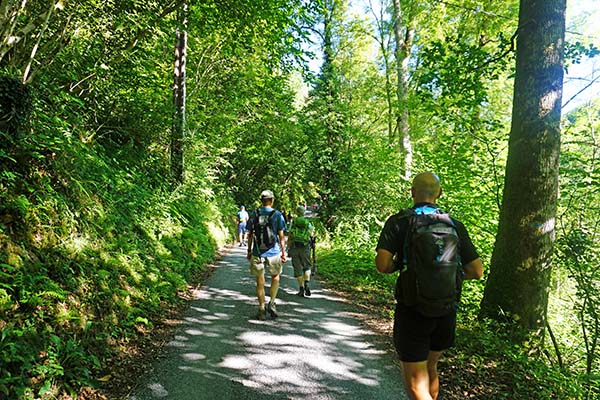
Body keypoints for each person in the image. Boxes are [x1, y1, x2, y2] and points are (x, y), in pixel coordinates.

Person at [375, 172, 483, 400]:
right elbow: (477, 271)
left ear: (413, 192)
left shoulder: (399, 222)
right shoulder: (454, 224)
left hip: (413, 309)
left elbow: (383, 265)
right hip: (446, 310)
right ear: (439, 193)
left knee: (415, 381)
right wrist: (447, 275)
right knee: (431, 367)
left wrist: (405, 266)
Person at [246, 190, 287, 320]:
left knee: (260, 282)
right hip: (274, 251)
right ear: (272, 200)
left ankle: (262, 308)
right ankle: (272, 302)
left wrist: (249, 250)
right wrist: (284, 252)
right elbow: (281, 236)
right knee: (276, 277)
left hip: (258, 251)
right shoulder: (277, 215)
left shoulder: (254, 214)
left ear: (261, 201)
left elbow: (250, 234)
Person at [288, 205, 314, 297]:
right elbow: (311, 235)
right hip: (305, 246)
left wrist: (288, 248)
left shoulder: (293, 222)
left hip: (295, 247)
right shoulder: (308, 223)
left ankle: (301, 288)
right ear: (304, 212)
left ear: (297, 212)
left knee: (297, 268)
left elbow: (290, 235)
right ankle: (307, 282)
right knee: (307, 266)